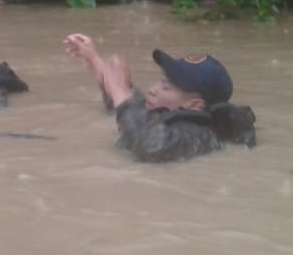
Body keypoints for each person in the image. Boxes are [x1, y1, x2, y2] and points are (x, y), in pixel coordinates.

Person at [63, 33, 256, 163]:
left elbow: (150, 145)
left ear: (194, 104)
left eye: (165, 87)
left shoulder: (199, 135)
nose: (153, 90)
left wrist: (120, 91)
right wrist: (94, 60)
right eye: (159, 82)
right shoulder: (165, 114)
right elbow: (129, 109)